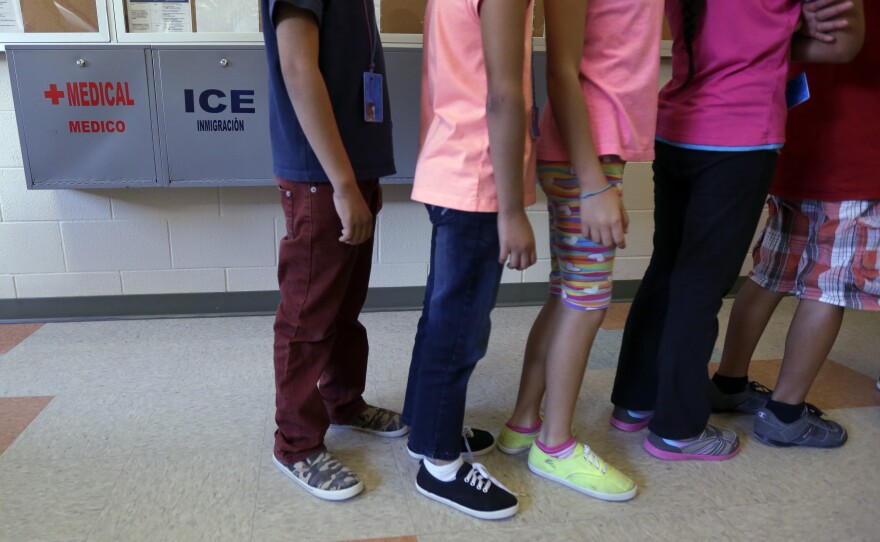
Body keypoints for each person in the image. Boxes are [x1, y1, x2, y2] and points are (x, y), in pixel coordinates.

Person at [609, 0, 864, 461]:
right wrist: (777, 39)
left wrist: (769, 38)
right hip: (739, 140)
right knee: (698, 287)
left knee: (667, 270)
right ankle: (678, 431)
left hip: (676, 129)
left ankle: (634, 404)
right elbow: (842, 45)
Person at [496, 0, 663, 502]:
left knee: (568, 294)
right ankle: (555, 445)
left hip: (596, 148)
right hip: (586, 153)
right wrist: (593, 184)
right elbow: (561, 71)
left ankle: (524, 423)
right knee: (588, 302)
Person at [262, 0, 409, 501]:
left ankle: (344, 402)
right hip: (321, 177)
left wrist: (362, 178)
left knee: (344, 306)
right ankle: (297, 445)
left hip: (350, 171)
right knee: (308, 317)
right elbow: (298, 67)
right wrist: (344, 185)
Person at [710, 0, 870, 449]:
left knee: (771, 273)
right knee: (830, 284)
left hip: (795, 129)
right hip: (855, 144)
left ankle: (729, 382)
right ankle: (785, 413)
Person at [400, 0, 538, 520]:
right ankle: (439, 464)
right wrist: (512, 210)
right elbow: (503, 96)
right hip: (478, 178)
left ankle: (426, 425)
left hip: (451, 164)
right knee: (459, 327)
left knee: (442, 314)